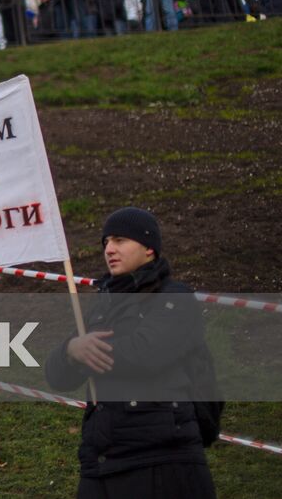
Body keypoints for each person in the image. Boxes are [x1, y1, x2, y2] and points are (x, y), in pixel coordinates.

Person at [45, 208, 217, 498]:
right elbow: (55, 375)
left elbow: (145, 352)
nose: (109, 249)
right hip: (101, 461)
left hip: (161, 460)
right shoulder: (104, 307)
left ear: (149, 247)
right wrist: (70, 351)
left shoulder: (175, 298)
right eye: (106, 243)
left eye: (120, 240)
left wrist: (87, 352)